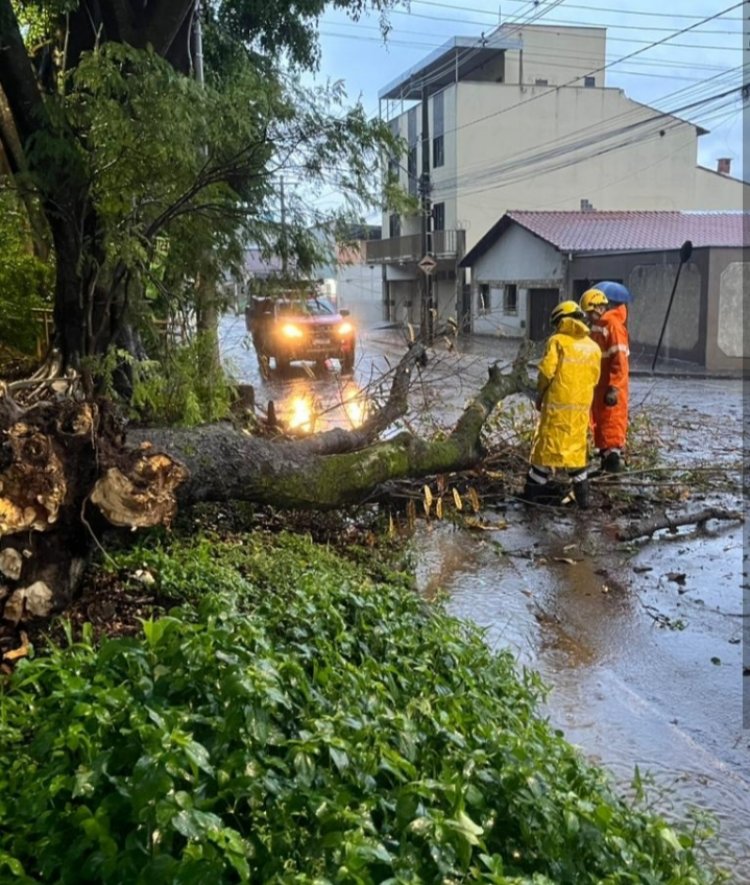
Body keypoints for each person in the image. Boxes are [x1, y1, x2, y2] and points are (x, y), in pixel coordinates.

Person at [522, 300, 601, 509]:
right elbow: (595, 378)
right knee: (575, 456)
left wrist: (540, 394)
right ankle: (584, 502)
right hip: (579, 411)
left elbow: (546, 372)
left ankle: (529, 501)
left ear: (561, 320)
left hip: (556, 407)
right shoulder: (593, 347)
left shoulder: (557, 341)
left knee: (545, 454)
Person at [579, 282, 631, 473]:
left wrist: (614, 387)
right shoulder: (598, 326)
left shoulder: (613, 326)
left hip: (610, 388)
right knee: (601, 425)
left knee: (611, 425)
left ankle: (613, 466)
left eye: (589, 313)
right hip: (599, 386)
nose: (587, 317)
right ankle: (606, 464)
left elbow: (620, 361)